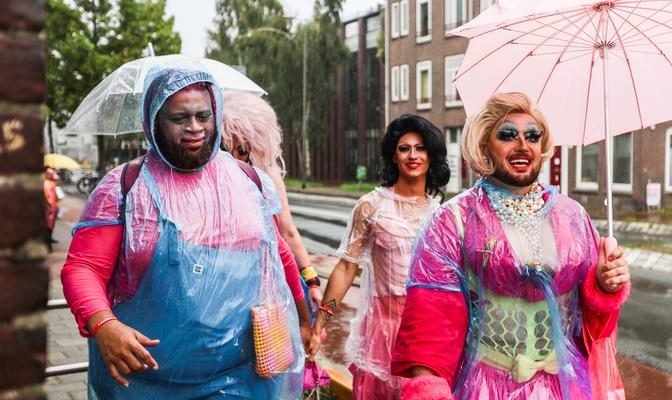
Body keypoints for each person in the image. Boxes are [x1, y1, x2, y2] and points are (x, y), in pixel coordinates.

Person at [60, 66, 309, 398]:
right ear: (154, 122)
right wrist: (103, 324)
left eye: (203, 115)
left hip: (239, 380)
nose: (195, 127)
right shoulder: (124, 188)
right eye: (179, 118)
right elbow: (83, 267)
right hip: (143, 381)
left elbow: (276, 256)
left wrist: (303, 318)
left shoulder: (251, 184)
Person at [390, 92, 631, 400]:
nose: (522, 145)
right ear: (484, 146)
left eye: (532, 136)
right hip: (487, 387)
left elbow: (592, 330)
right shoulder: (454, 220)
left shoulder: (573, 216)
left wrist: (605, 286)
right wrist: (430, 390)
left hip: (566, 387)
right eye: (507, 135)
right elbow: (430, 324)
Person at [307, 114, 451, 399]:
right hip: (384, 330)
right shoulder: (371, 207)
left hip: (429, 328)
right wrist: (320, 325)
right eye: (404, 148)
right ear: (393, 156)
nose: (413, 155)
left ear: (431, 157)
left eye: (421, 148)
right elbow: (347, 267)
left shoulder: (443, 214)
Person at [221, 91, 323, 308]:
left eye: (242, 149)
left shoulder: (267, 174)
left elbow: (287, 231)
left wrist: (311, 279)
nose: (235, 157)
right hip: (224, 283)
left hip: (266, 282)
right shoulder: (210, 175)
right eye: (225, 147)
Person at [44, 167, 60, 251]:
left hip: (53, 207)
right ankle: (47, 244)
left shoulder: (51, 183)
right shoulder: (47, 183)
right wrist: (49, 206)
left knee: (51, 225)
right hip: (49, 208)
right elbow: (47, 197)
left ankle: (49, 241)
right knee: (48, 225)